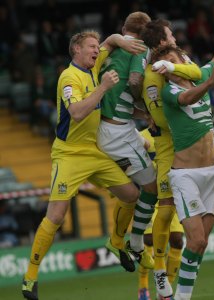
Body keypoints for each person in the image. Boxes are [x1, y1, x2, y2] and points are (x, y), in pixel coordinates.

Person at [21, 30, 147, 300]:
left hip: (94, 150)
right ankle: (30, 277)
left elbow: (111, 41)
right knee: (55, 216)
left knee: (132, 195)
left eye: (95, 47)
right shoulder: (70, 77)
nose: (96, 50)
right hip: (69, 154)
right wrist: (103, 87)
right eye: (91, 46)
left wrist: (121, 40)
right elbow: (76, 113)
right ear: (76, 50)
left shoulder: (94, 62)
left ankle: (115, 242)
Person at [151, 44, 214, 300]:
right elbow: (189, 98)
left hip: (212, 174)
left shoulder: (198, 75)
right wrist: (211, 82)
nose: (169, 67)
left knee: (202, 244)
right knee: (196, 240)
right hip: (185, 175)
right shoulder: (169, 92)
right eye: (164, 64)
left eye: (172, 60)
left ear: (183, 61)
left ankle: (182, 294)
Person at [96, 11, 156, 271]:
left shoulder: (110, 51)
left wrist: (144, 114)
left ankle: (118, 239)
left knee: (144, 149)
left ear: (124, 27)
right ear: (144, 34)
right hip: (117, 133)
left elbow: (121, 98)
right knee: (152, 188)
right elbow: (133, 82)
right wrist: (148, 100)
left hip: (112, 126)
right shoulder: (139, 49)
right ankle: (136, 242)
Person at [137, 129, 184, 300]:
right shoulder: (140, 136)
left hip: (172, 192)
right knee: (149, 240)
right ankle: (143, 287)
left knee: (177, 239)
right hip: (150, 193)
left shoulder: (175, 132)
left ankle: (166, 290)